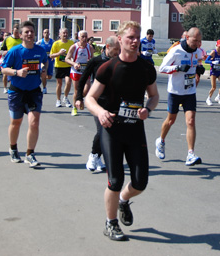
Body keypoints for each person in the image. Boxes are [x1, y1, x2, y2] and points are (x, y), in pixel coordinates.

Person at [85, 21, 159, 241]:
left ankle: (124, 201)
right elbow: (90, 98)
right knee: (115, 180)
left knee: (140, 182)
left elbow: (154, 96)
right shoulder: (108, 67)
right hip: (112, 130)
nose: (135, 41)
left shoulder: (146, 67)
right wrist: (100, 113)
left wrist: (148, 108)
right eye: (130, 37)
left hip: (135, 130)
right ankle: (111, 223)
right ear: (120, 39)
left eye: (137, 37)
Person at [156, 27, 206, 165]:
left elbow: (197, 64)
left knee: (191, 121)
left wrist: (199, 69)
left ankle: (191, 154)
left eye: (199, 41)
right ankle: (161, 141)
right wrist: (177, 68)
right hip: (175, 91)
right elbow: (162, 68)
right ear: (187, 38)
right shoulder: (176, 50)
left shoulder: (198, 51)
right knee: (171, 120)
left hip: (190, 92)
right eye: (195, 41)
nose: (197, 44)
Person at [1, 20, 48, 167]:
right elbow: (3, 69)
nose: (29, 34)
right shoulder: (15, 51)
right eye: (26, 32)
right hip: (17, 92)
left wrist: (45, 70)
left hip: (34, 91)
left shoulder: (39, 51)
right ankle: (13, 148)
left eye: (32, 32)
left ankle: (30, 154)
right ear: (21, 35)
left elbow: (45, 62)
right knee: (16, 122)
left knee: (34, 123)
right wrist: (17, 72)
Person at [75, 36, 121, 172]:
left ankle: (99, 157)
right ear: (107, 47)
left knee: (111, 132)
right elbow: (83, 80)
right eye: (116, 49)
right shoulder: (95, 61)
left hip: (114, 101)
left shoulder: (119, 62)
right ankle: (93, 155)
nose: (118, 52)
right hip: (97, 101)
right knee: (102, 130)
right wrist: (79, 98)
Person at [66, 30, 93, 116]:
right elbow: (66, 58)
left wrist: (90, 61)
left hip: (85, 71)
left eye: (86, 37)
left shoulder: (90, 47)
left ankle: (80, 99)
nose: (85, 39)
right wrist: (74, 64)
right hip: (76, 71)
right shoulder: (74, 47)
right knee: (77, 91)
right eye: (82, 37)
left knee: (87, 89)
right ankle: (74, 108)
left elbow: (93, 58)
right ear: (78, 38)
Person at [50, 27, 74, 108]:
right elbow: (51, 55)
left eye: (66, 33)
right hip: (59, 66)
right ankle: (58, 100)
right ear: (60, 34)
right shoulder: (56, 44)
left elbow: (74, 53)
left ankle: (65, 97)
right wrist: (59, 53)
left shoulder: (71, 43)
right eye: (63, 33)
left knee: (68, 82)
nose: (65, 34)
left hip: (68, 65)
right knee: (59, 84)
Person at [0, 26, 23, 93]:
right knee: (5, 74)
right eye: (15, 32)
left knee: (16, 75)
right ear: (13, 31)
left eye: (18, 32)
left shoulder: (22, 39)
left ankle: (14, 88)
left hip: (18, 61)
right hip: (8, 59)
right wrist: (3, 52)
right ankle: (5, 87)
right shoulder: (7, 39)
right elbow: (1, 50)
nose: (17, 33)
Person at [205, 40, 220, 106]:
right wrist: (212, 62)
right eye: (219, 46)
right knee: (214, 87)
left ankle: (218, 96)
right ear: (216, 46)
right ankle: (208, 98)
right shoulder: (213, 52)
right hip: (214, 71)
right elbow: (206, 61)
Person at [36, 28, 54, 94]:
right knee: (44, 72)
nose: (46, 34)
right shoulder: (40, 42)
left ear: (49, 34)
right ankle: (44, 87)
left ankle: (43, 77)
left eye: (47, 32)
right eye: (45, 32)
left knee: (49, 76)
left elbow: (56, 50)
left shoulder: (52, 42)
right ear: (43, 34)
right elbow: (35, 48)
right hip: (43, 60)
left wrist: (54, 56)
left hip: (50, 60)